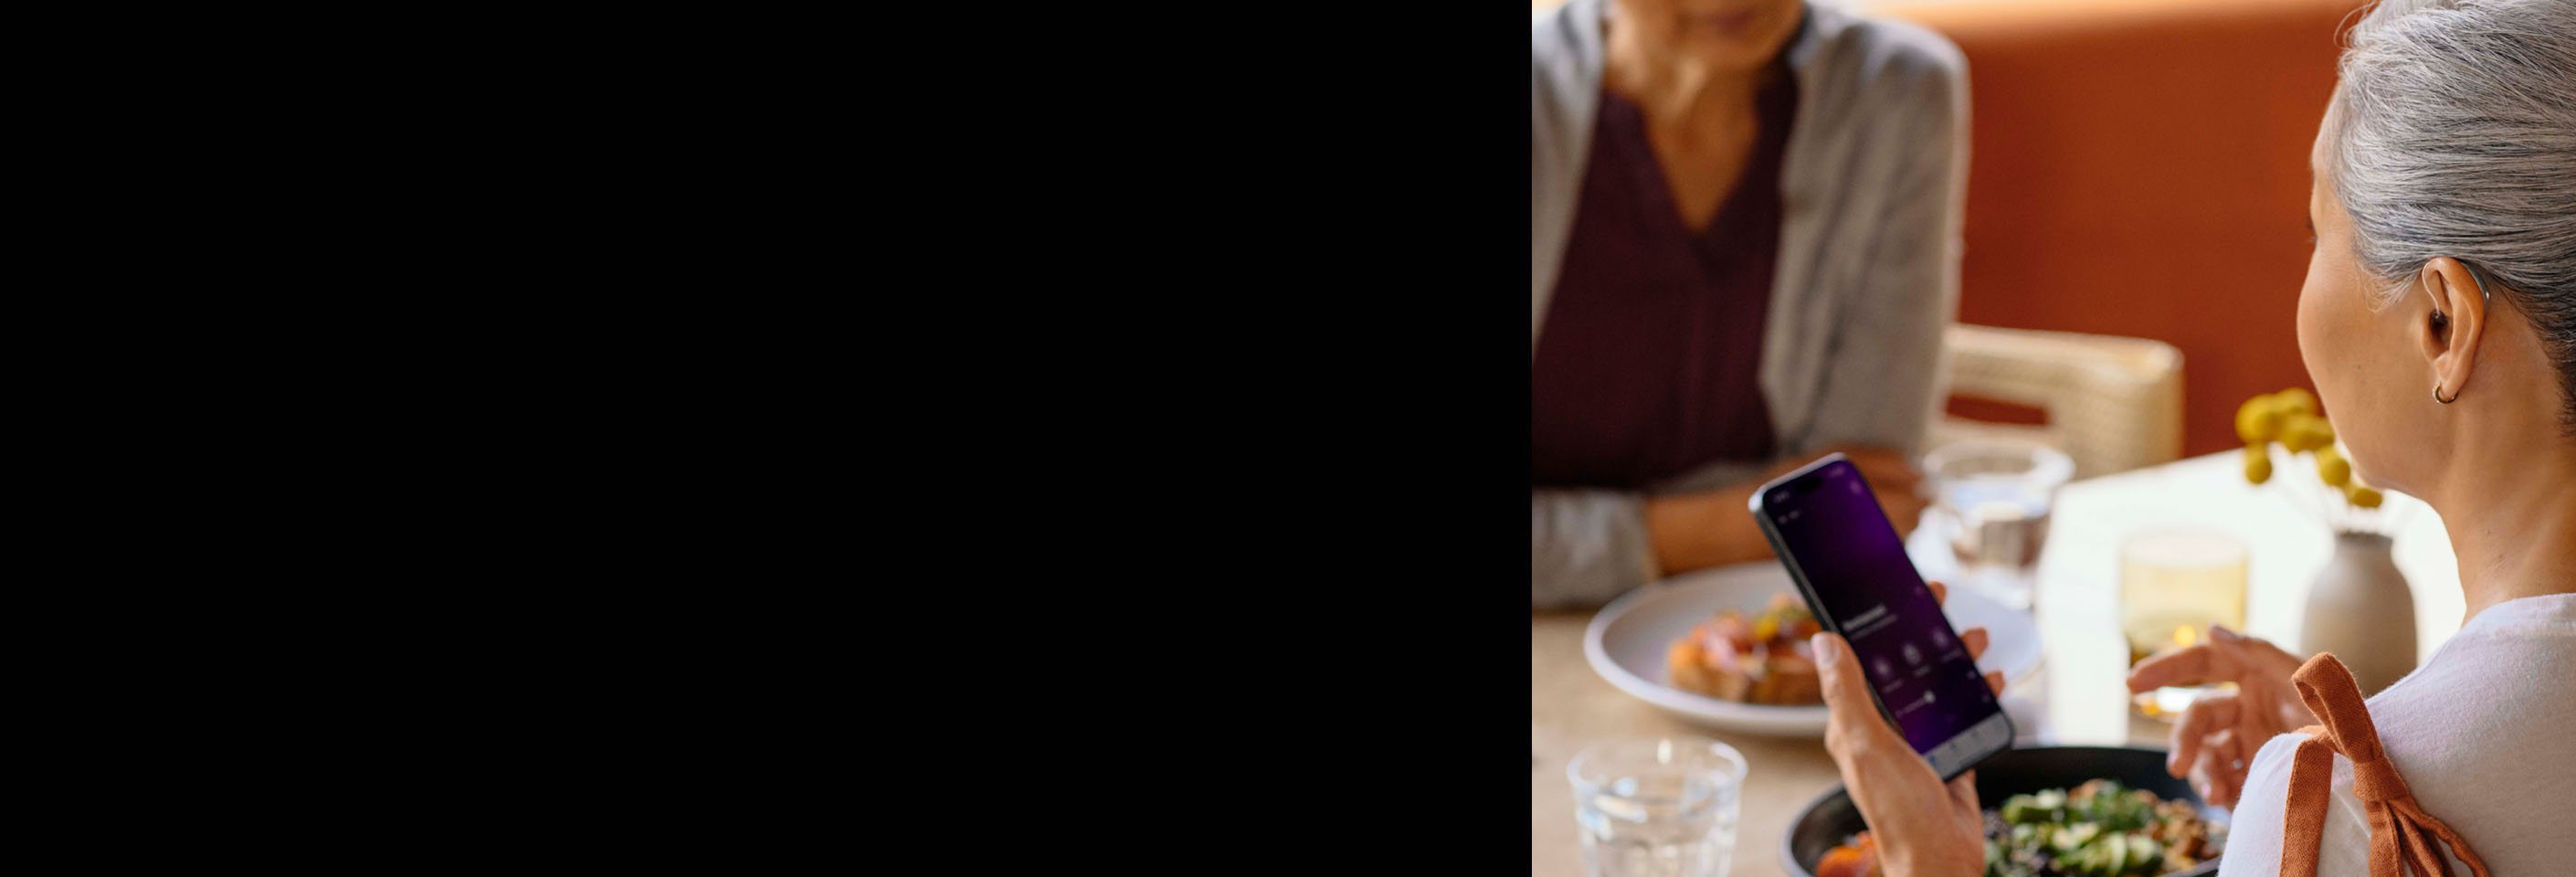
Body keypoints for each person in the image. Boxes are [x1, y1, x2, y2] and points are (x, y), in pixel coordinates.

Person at [1809, 1, 2576, 873]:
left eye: (2318, 233)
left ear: (2443, 322)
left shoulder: (2344, 822)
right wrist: (2363, 741)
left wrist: (1932, 866)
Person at [1531, 0, 1964, 608]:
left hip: (1772, 624)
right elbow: (1817, 518)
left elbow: (1858, 505)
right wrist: (1711, 530)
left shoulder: (1895, 92)